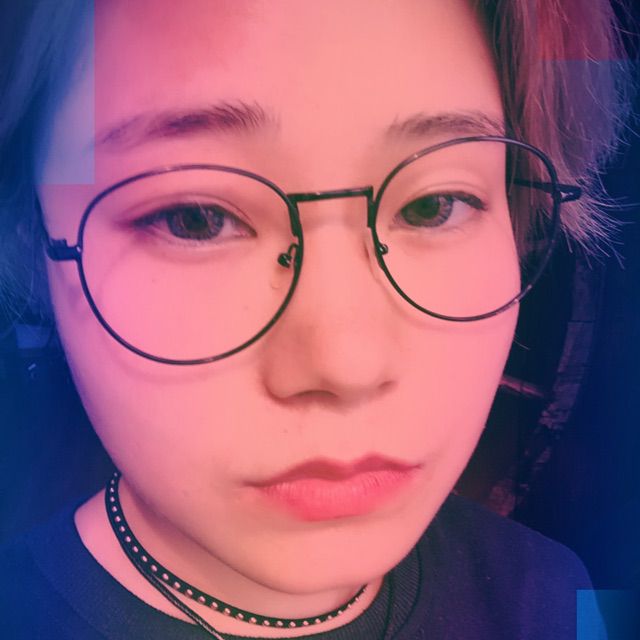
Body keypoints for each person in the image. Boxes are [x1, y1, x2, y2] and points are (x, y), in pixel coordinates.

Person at [0, 1, 632, 638]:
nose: (346, 366)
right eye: (196, 219)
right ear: (30, 230)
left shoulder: (556, 594)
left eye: (435, 205)